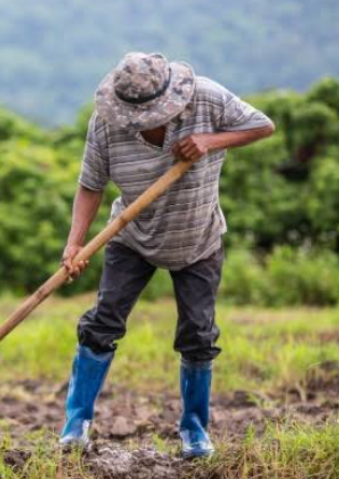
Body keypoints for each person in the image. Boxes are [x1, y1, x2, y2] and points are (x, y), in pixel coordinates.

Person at [59, 52, 275, 458]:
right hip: (132, 235)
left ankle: (194, 430)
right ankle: (76, 424)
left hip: (198, 238)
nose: (141, 123)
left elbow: (263, 125)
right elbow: (90, 184)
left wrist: (211, 141)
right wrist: (75, 243)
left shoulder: (208, 99)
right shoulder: (107, 123)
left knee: (198, 334)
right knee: (102, 323)